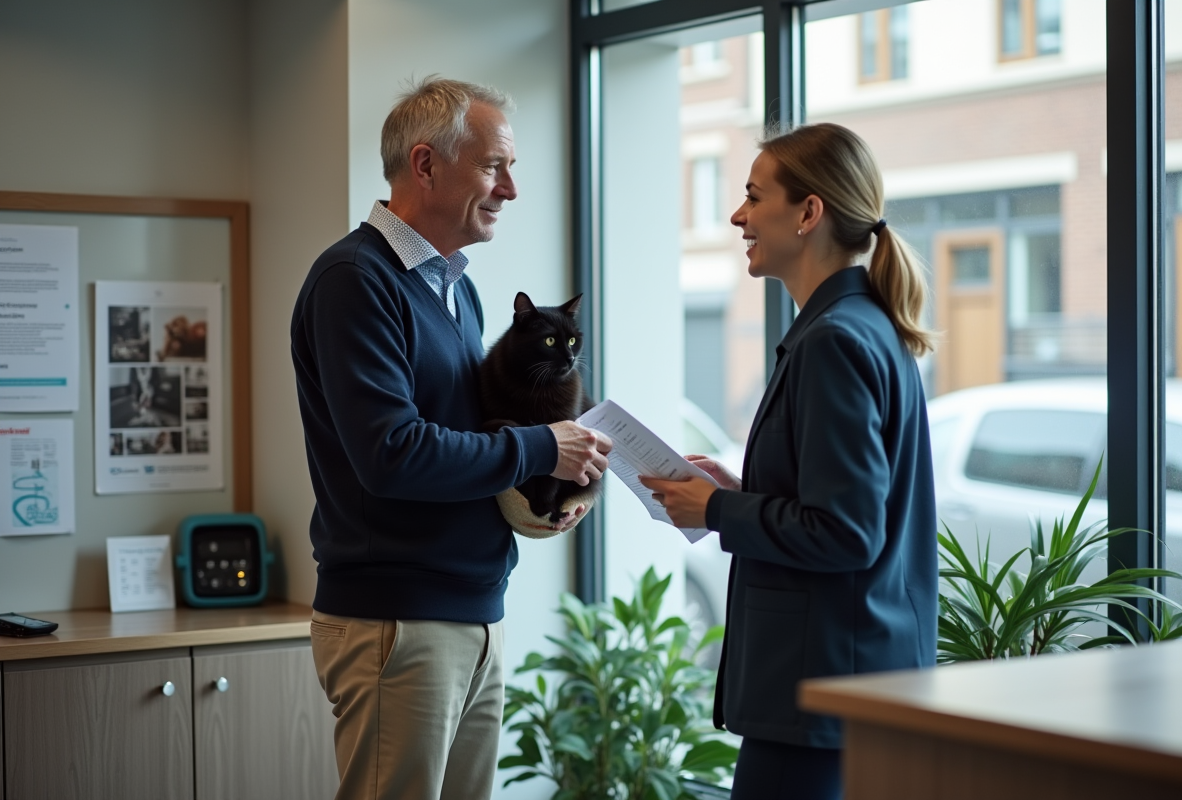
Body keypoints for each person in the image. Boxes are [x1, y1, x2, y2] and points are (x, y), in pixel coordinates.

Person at [290, 76, 612, 800]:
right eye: (496, 166)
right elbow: (392, 454)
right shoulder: (354, 279)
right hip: (396, 622)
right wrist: (541, 449)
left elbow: (468, 441)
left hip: (472, 612)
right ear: (427, 164)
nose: (512, 189)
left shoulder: (456, 289)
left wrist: (554, 490)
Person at [642, 122, 937, 800]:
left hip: (821, 695)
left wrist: (717, 509)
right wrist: (742, 491)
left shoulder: (833, 342)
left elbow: (846, 532)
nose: (736, 215)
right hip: (851, 684)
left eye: (753, 196)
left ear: (809, 213)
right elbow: (845, 504)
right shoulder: (864, 328)